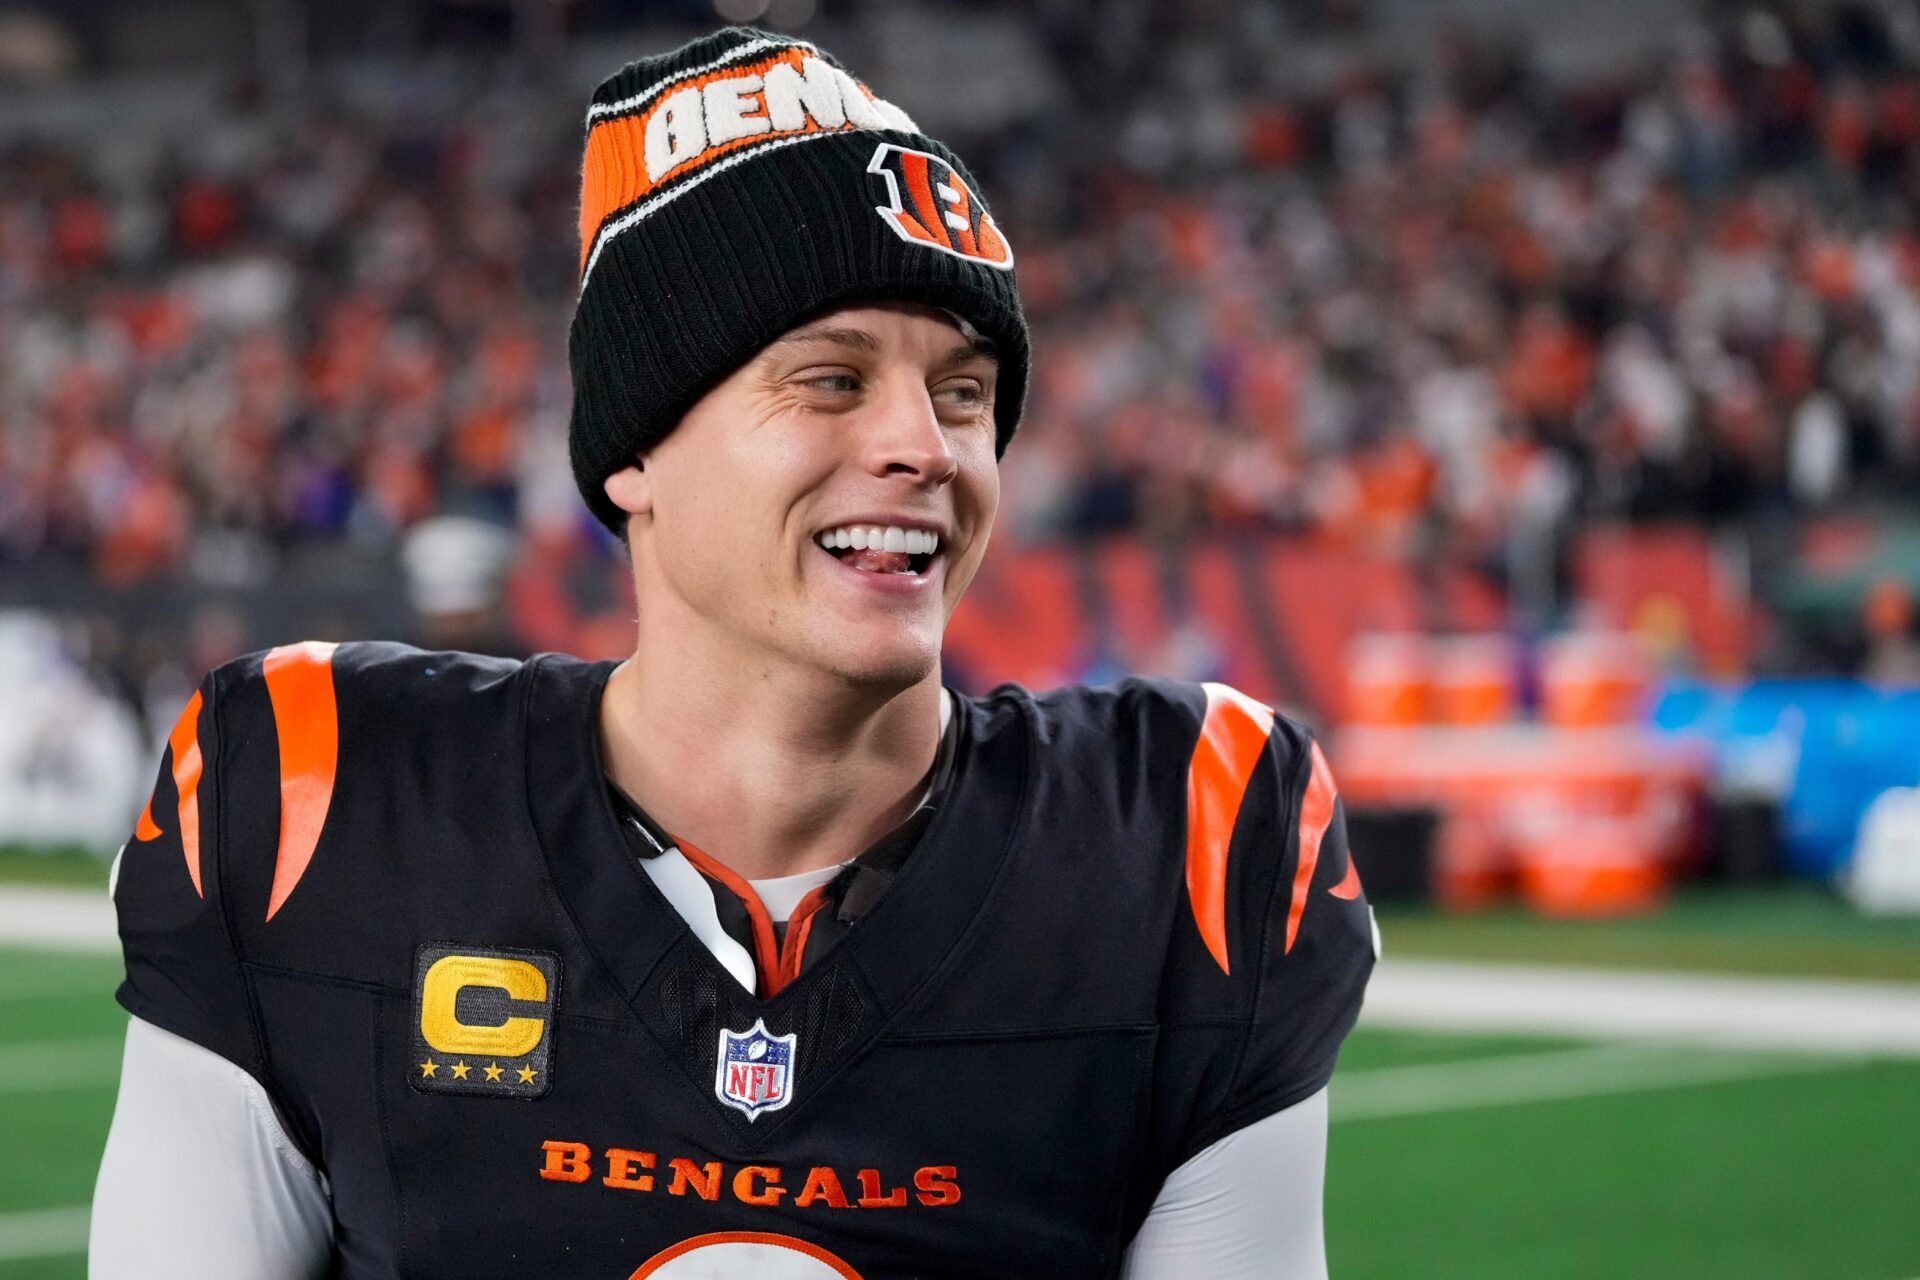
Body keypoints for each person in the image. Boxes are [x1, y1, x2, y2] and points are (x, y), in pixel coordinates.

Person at [91, 27, 1375, 1279]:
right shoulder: (319, 802)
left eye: (966, 392)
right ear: (636, 449)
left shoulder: (1185, 846)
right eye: (829, 379)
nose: (924, 445)